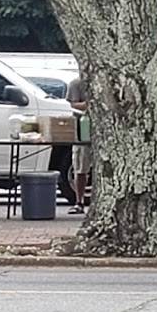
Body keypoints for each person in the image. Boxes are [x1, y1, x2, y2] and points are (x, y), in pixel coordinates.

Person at [67, 75, 89, 215]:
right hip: (82, 131)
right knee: (80, 168)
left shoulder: (108, 80)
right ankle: (79, 201)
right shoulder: (76, 83)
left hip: (106, 132)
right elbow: (74, 104)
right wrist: (89, 105)